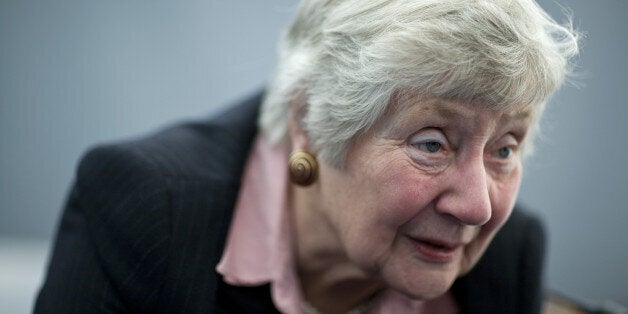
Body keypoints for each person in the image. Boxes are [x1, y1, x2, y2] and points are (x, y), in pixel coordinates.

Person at [35, 0, 579, 313]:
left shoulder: (510, 253)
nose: (479, 207)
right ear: (309, 123)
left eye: (504, 149)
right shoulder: (147, 206)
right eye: (432, 143)